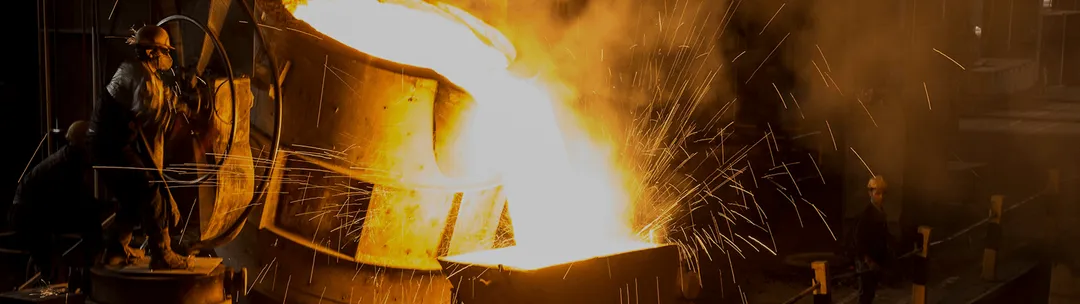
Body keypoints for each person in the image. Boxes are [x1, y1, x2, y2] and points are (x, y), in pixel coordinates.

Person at [90, 24, 191, 270]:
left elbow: (159, 98)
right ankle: (162, 253)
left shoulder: (134, 69)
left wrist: (176, 101)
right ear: (150, 53)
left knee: (130, 197)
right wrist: (184, 108)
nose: (167, 56)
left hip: (104, 144)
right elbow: (153, 125)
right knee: (149, 189)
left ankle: (115, 248)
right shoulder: (142, 79)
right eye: (163, 51)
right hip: (111, 146)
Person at [10, 121, 103, 282]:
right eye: (89, 142)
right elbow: (77, 198)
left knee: (90, 217)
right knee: (89, 220)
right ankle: (89, 271)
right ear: (83, 143)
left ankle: (84, 269)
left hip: (32, 210)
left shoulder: (69, 157)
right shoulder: (66, 164)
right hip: (27, 215)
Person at [854, 175, 892, 304]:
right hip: (867, 263)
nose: (881, 197)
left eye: (882, 194)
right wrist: (868, 261)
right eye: (877, 193)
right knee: (865, 295)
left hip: (875, 260)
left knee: (870, 294)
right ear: (870, 193)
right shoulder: (867, 215)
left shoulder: (880, 212)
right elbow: (859, 240)